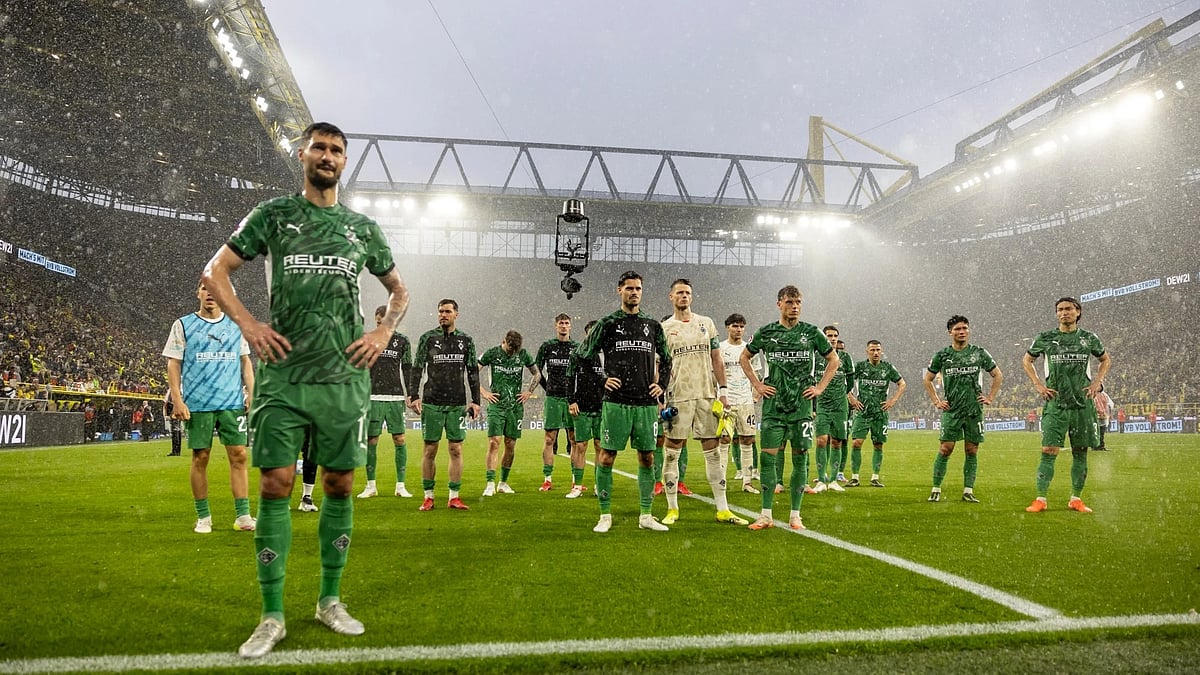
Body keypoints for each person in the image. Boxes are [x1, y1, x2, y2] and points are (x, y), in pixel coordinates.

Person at [201, 121, 410, 659]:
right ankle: (271, 615)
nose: (328, 155)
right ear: (302, 155)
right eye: (319, 147)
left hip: (343, 379)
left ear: (345, 161)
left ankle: (329, 600)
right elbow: (216, 270)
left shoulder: (362, 229)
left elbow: (399, 290)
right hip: (283, 377)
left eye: (337, 150)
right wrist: (248, 325)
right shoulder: (274, 216)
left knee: (340, 484)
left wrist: (383, 332)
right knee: (275, 484)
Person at [575, 270, 673, 533]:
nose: (634, 293)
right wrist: (601, 379)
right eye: (629, 288)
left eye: (638, 288)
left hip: (645, 403)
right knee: (606, 458)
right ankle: (605, 515)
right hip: (616, 401)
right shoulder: (607, 324)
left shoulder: (652, 325)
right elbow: (583, 355)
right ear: (619, 290)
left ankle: (646, 515)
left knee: (648, 458)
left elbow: (667, 358)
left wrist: (661, 385)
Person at [740, 286, 839, 531]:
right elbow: (744, 357)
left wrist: (819, 388)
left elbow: (834, 360)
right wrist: (758, 384)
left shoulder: (811, 332)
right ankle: (765, 515)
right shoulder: (766, 332)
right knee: (768, 457)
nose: (794, 306)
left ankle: (795, 515)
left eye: (798, 302)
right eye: (789, 302)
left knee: (800, 457)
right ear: (779, 304)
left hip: (802, 407)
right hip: (774, 406)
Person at [162, 281, 256, 534]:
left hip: (231, 403)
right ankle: (204, 518)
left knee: (239, 456)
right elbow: (173, 363)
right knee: (200, 457)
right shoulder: (183, 325)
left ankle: (243, 516)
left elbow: (245, 362)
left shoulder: (236, 325)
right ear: (199, 293)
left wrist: (252, 393)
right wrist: (178, 400)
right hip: (198, 403)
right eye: (205, 288)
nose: (211, 293)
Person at [659, 279, 746, 526]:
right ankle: (672, 508)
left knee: (714, 451)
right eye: (679, 293)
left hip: (707, 396)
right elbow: (659, 365)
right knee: (672, 453)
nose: (684, 296)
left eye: (687, 292)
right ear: (671, 297)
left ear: (692, 297)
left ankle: (723, 509)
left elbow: (717, 358)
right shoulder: (664, 328)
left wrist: (724, 391)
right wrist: (658, 397)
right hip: (678, 396)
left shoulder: (706, 323)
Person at [1022, 297, 1110, 514]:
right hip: (1056, 404)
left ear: (1078, 312)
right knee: (1049, 450)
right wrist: (1038, 385)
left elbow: (1105, 359)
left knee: (1081, 452)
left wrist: (1097, 382)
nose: (1064, 313)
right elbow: (1027, 360)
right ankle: (1041, 499)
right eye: (1060, 310)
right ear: (1056, 314)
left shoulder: (1089, 338)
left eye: (1069, 309)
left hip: (1082, 405)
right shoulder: (1046, 338)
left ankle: (1076, 499)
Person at [409, 299, 481, 511]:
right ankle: (428, 496)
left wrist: (476, 400)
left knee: (456, 449)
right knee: (430, 449)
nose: (443, 315)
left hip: (456, 403)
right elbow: (417, 367)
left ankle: (454, 496)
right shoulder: (428, 338)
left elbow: (472, 372)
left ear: (456, 314)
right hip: (431, 402)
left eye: (447, 311)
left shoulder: (465, 340)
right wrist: (413, 395)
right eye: (440, 311)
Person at [923, 315, 1002, 503]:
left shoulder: (979, 353)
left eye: (965, 328)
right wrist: (936, 401)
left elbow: (997, 375)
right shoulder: (942, 355)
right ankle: (936, 488)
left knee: (972, 450)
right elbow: (927, 379)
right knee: (945, 448)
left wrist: (990, 397)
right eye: (958, 329)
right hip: (952, 410)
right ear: (950, 332)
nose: (962, 332)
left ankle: (968, 490)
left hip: (974, 410)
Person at [358, 306, 414, 499]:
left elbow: (407, 368)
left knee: (399, 439)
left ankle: (400, 486)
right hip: (372, 396)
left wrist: (411, 394)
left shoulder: (402, 341)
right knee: (371, 440)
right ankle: (371, 486)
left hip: (395, 396)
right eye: (379, 320)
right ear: (376, 320)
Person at [479, 330, 539, 496]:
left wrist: (528, 392)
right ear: (503, 341)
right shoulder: (492, 353)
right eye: (510, 349)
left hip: (515, 407)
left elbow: (537, 374)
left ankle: (503, 483)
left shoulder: (523, 354)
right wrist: (483, 392)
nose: (513, 353)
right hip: (496, 405)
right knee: (494, 442)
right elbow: (471, 372)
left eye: (515, 351)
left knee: (510, 444)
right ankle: (490, 483)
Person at [848, 340, 906, 488]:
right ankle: (855, 477)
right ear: (867, 351)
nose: (875, 353)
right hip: (862, 411)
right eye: (872, 350)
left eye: (878, 350)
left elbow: (902, 383)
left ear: (881, 351)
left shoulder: (887, 368)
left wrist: (893, 400)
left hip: (880, 413)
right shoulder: (860, 367)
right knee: (856, 443)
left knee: (878, 445)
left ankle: (875, 477)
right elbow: (846, 381)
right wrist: (851, 398)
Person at [719, 314, 763, 494]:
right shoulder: (720, 348)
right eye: (735, 326)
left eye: (741, 326)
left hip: (745, 401)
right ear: (727, 327)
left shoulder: (749, 349)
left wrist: (754, 395)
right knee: (724, 439)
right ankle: (721, 481)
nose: (738, 329)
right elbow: (714, 373)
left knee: (748, 439)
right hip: (726, 401)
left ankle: (747, 481)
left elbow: (757, 374)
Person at [534, 314, 577, 491]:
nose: (564, 326)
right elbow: (536, 370)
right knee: (549, 438)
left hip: (571, 399)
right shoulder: (547, 346)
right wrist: (547, 387)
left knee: (574, 439)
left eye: (566, 323)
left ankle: (576, 479)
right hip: (552, 397)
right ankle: (547, 478)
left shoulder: (577, 347)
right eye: (561, 323)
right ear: (556, 326)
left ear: (570, 326)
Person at [813, 325, 855, 493]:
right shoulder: (816, 357)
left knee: (837, 441)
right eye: (829, 335)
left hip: (840, 405)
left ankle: (834, 479)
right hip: (822, 404)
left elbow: (851, 381)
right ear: (823, 337)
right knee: (821, 440)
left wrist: (842, 395)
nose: (832, 338)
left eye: (835, 335)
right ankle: (821, 479)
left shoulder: (845, 357)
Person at [566, 319, 605, 498]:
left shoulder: (606, 354)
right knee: (580, 445)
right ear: (586, 334)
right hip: (582, 406)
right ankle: (577, 486)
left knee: (600, 446)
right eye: (591, 332)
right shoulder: (577, 354)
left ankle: (598, 485)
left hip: (601, 406)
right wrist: (571, 401)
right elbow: (569, 379)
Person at [1093, 385, 1113, 451]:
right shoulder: (1093, 395)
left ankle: (1100, 445)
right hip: (1096, 415)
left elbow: (1108, 405)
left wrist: (1108, 414)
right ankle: (1096, 446)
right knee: (1097, 432)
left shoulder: (1103, 395)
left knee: (1101, 432)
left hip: (1102, 416)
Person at [162, 390, 183, 457]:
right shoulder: (178, 391)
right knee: (177, 430)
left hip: (174, 413)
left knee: (175, 431)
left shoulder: (172, 391)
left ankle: (175, 451)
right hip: (178, 413)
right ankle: (177, 450)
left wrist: (169, 414)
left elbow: (169, 403)